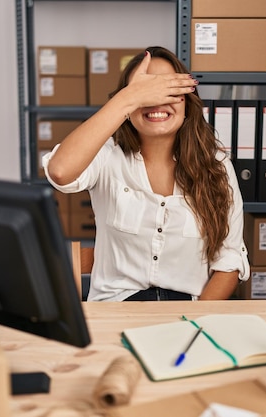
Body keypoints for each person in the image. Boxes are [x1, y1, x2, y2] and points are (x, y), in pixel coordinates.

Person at [43, 46, 249, 301]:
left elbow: (228, 261)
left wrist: (196, 321)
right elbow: (60, 172)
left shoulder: (216, 165)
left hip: (188, 313)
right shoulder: (108, 155)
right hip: (115, 310)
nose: (156, 101)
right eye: (145, 92)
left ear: (187, 100)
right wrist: (127, 99)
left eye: (168, 89)